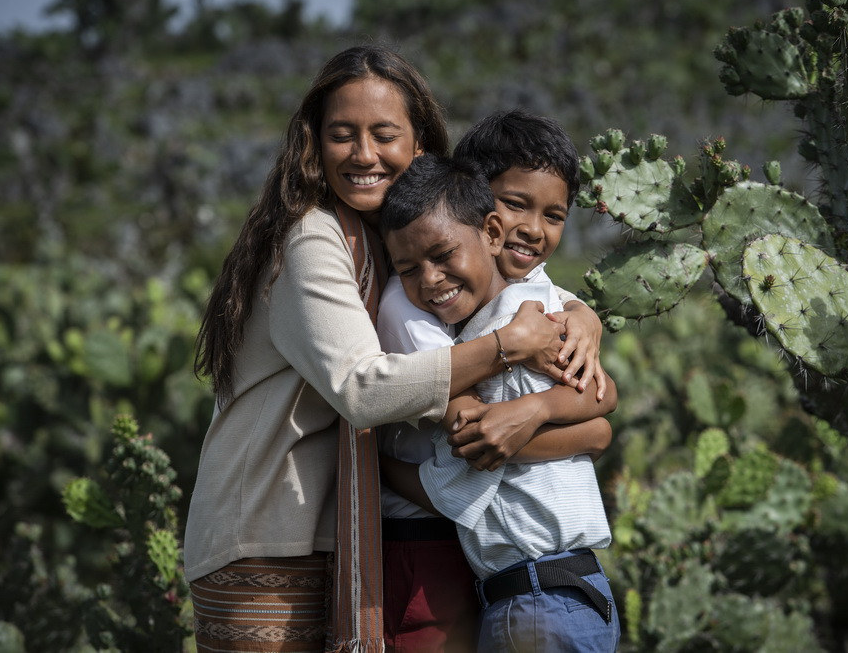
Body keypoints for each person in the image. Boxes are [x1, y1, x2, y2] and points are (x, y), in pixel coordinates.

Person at [186, 45, 604, 652]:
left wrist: (582, 316)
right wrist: (509, 348)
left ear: (422, 148)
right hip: (269, 531)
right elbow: (364, 388)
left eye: (384, 134)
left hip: (326, 535)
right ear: (313, 143)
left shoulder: (404, 243)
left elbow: (532, 300)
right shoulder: (314, 238)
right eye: (341, 135)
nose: (363, 155)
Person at [376, 109, 614, 651]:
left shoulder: (530, 310)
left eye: (553, 214)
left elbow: (471, 447)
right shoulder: (476, 316)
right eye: (515, 203)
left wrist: (376, 465)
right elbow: (598, 418)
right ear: (479, 207)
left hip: (537, 596)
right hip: (558, 592)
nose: (530, 228)